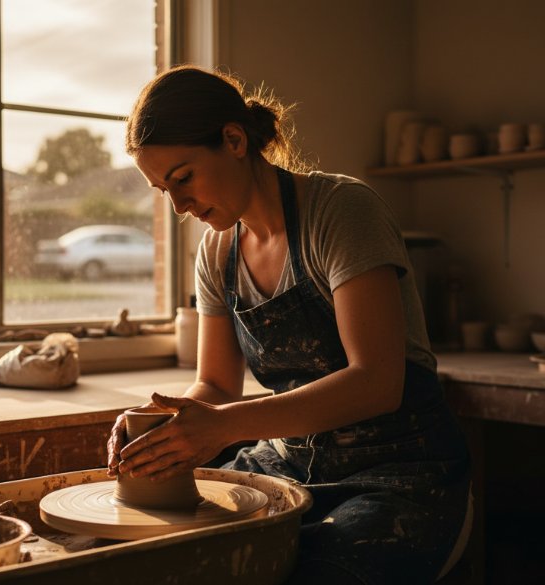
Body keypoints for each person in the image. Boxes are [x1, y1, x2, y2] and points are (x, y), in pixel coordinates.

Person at [107, 65, 471, 584]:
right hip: (289, 462)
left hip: (400, 470)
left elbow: (377, 381)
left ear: (234, 140)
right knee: (178, 553)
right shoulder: (217, 251)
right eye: (164, 191)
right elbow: (215, 385)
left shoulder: (341, 211)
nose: (180, 207)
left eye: (183, 178)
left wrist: (223, 426)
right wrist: (167, 425)